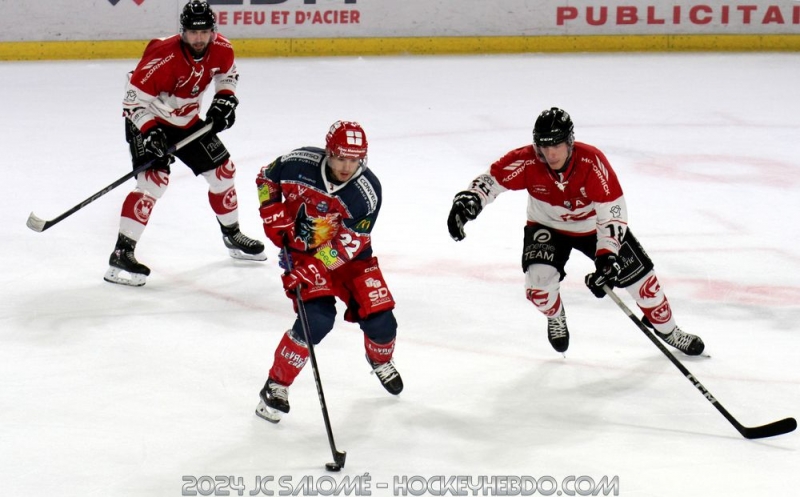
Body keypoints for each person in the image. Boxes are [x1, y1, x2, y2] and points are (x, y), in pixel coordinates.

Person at [447, 107, 705, 356]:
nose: (550, 153)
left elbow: (612, 210)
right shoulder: (526, 160)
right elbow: (491, 181)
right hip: (546, 225)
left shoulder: (591, 162)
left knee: (646, 286)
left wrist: (607, 256)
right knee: (538, 287)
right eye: (544, 145)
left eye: (556, 144)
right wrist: (469, 200)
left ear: (570, 142)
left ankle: (669, 331)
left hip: (594, 227)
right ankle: (556, 315)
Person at [104, 0, 266, 287]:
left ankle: (232, 234)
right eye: (193, 32)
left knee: (223, 172)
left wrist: (225, 98)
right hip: (148, 117)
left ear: (213, 31)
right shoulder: (162, 57)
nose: (199, 38)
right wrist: (150, 133)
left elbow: (228, 73)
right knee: (154, 182)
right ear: (183, 32)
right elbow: (132, 101)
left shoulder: (222, 49)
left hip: (186, 121)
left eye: (205, 32)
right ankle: (122, 252)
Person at [253, 120, 403, 423]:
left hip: (352, 259)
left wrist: (314, 268)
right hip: (300, 251)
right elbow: (265, 178)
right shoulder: (298, 162)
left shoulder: (367, 191)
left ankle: (379, 359)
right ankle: (276, 386)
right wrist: (270, 210)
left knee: (382, 322)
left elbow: (350, 242)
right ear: (328, 152)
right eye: (341, 157)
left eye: (354, 159)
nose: (347, 166)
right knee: (316, 321)